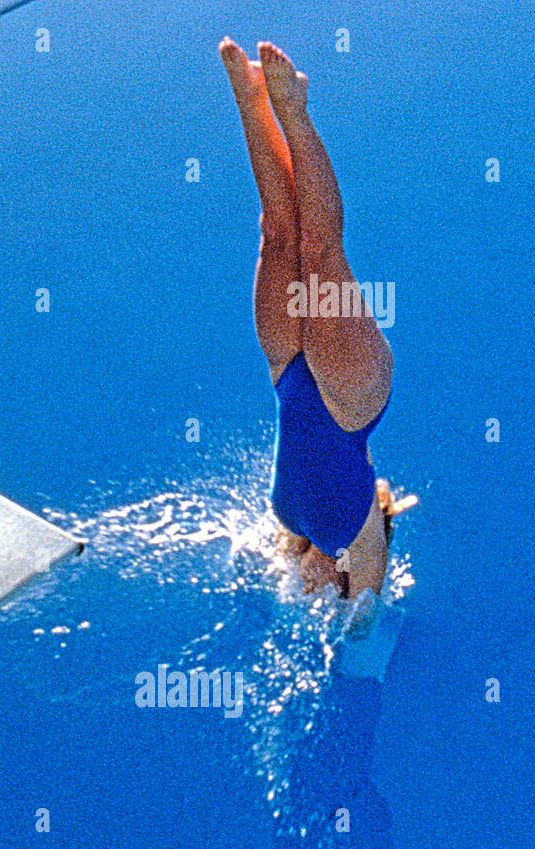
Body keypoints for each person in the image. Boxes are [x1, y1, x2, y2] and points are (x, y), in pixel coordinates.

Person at [219, 39, 412, 597]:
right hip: (351, 401)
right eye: (326, 592)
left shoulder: (290, 526)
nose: (312, 591)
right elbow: (363, 635)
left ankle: (252, 99)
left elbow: (267, 562)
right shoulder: (364, 551)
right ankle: (295, 109)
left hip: (289, 372)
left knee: (278, 234)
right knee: (321, 250)